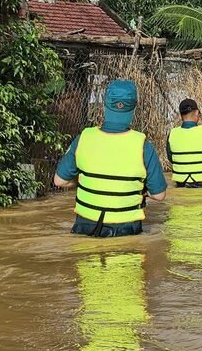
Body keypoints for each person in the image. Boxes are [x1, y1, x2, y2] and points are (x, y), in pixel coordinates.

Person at [54, 80, 167, 237]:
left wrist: (84, 182)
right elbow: (159, 195)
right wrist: (143, 192)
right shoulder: (144, 146)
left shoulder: (83, 139)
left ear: (105, 105)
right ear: (134, 108)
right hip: (126, 230)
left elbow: (59, 181)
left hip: (86, 227)